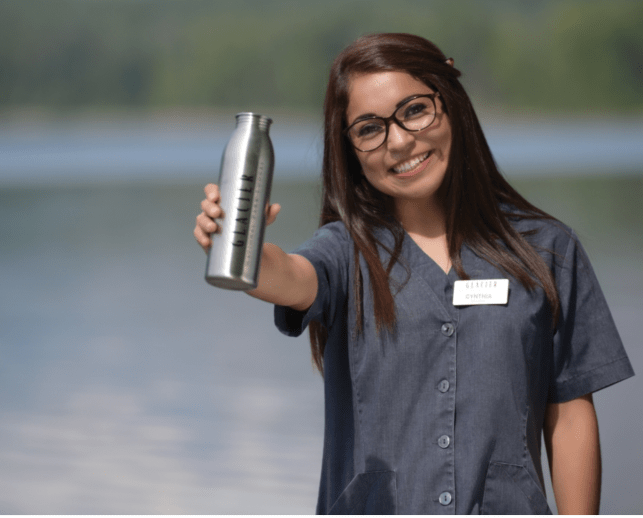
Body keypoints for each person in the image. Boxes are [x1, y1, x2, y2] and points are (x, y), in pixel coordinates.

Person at [193, 33, 634, 514]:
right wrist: (243, 246)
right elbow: (291, 277)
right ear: (351, 150)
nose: (400, 141)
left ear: (451, 104)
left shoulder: (549, 250)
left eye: (415, 109)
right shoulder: (346, 252)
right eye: (368, 129)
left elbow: (569, 416)